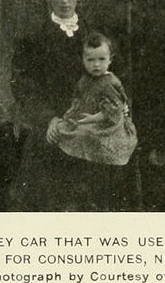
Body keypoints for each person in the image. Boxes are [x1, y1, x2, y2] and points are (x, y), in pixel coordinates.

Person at [9, 0, 88, 210]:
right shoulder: (34, 38)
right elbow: (23, 85)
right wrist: (48, 119)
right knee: (43, 199)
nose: (64, 0)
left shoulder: (92, 36)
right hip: (50, 127)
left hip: (87, 125)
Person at [47, 33, 138, 211]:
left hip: (108, 123)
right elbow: (77, 101)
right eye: (90, 60)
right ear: (83, 60)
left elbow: (112, 111)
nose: (96, 65)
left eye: (101, 59)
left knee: (86, 134)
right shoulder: (85, 79)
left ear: (110, 60)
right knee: (66, 131)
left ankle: (95, 185)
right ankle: (78, 183)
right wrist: (70, 116)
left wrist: (91, 118)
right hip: (88, 117)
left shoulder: (110, 82)